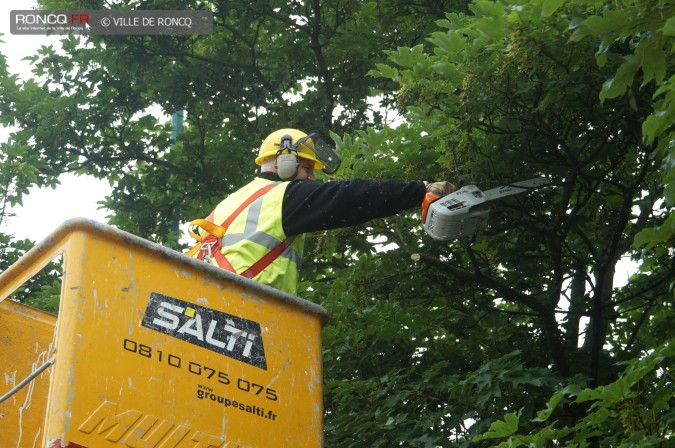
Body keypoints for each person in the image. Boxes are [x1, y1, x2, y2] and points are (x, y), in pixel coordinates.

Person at [188, 128, 454, 295]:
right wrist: (420, 191)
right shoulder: (283, 195)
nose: (312, 180)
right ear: (285, 164)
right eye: (307, 169)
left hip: (210, 298)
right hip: (246, 304)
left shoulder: (231, 202)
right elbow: (351, 198)